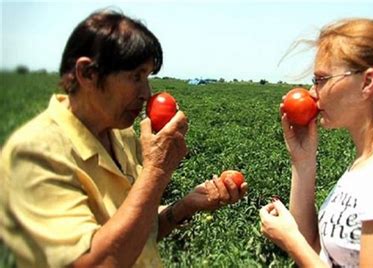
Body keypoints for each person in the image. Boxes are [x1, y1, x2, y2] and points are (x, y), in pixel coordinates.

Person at [0, 9, 247, 267]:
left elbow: (136, 236)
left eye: (148, 77)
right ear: (87, 73)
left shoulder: (121, 133)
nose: (146, 93)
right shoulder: (34, 154)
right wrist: (156, 171)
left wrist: (186, 206)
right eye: (135, 76)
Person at [259, 18, 373, 267]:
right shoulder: (366, 166)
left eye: (321, 79)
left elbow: (302, 246)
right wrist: (302, 161)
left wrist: (291, 240)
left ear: (367, 83)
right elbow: (315, 248)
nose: (312, 92)